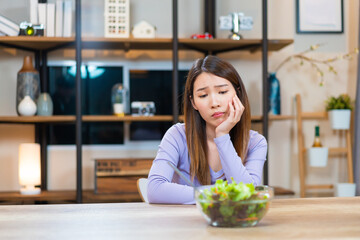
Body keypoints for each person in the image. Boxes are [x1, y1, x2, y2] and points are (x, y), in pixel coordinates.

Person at [147, 55, 267, 204]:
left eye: (222, 92)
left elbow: (248, 195)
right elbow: (154, 189)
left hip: (234, 224)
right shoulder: (177, 135)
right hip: (185, 224)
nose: (214, 103)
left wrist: (222, 136)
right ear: (193, 102)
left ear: (238, 93)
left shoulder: (255, 142)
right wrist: (217, 194)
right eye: (203, 95)